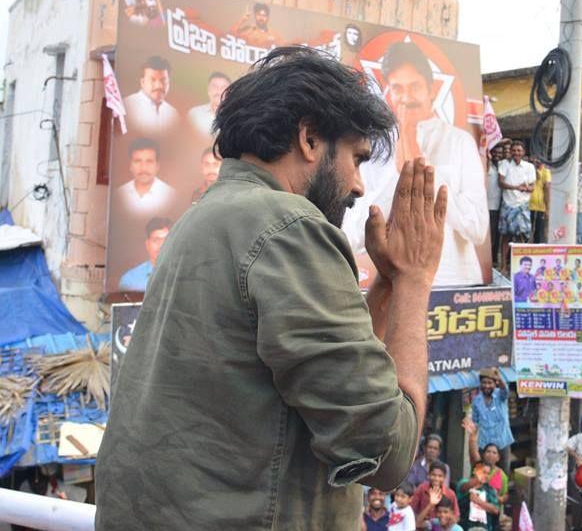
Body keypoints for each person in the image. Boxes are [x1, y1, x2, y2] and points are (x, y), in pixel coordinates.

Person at [95, 46, 448, 529]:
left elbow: (320, 364)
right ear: (308, 138)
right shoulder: (289, 226)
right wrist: (414, 281)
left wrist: (386, 282)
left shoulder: (204, 216)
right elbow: (385, 450)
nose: (360, 186)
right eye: (356, 159)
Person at [342, 41, 489, 287]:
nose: (407, 97)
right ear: (389, 92)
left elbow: (478, 229)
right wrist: (399, 175)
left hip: (454, 284)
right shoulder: (375, 146)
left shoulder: (460, 142)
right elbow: (353, 235)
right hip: (391, 285)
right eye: (398, 88)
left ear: (432, 89)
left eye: (415, 87)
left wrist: (425, 170)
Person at [114, 138, 176, 217]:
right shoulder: (118, 195)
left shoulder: (171, 195)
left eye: (149, 161)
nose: (143, 168)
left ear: (157, 166)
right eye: (138, 161)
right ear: (130, 165)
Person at [497, 140, 536, 264]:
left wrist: (526, 188)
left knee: (523, 237)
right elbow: (500, 183)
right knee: (505, 236)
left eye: (519, 150)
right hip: (508, 204)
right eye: (514, 150)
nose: (516, 153)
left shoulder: (529, 167)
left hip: (522, 206)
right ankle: (503, 266)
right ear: (510, 152)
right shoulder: (504, 164)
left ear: (523, 152)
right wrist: (516, 187)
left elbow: (532, 187)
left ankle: (520, 265)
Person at [123, 55, 180, 134]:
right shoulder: (126, 106)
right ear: (142, 82)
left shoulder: (173, 114)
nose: (159, 86)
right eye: (152, 80)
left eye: (163, 80)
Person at [464, 418, 509, 508]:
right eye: (488, 451)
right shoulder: (479, 468)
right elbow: (473, 452)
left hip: (492, 511)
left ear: (498, 458)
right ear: (483, 454)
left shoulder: (502, 475)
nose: (490, 454)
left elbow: (505, 494)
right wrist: (472, 437)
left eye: (494, 452)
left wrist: (500, 499)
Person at [118, 217, 172, 291]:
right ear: (147, 244)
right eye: (156, 240)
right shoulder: (130, 281)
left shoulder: (187, 277)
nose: (161, 245)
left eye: (166, 240)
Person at [471, 368, 514, 462]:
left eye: (490, 383)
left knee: (503, 475)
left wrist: (499, 379)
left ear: (495, 384)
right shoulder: (476, 401)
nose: (486, 386)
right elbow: (475, 422)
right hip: (485, 445)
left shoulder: (500, 395)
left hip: (502, 443)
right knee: (482, 474)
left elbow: (505, 391)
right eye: (484, 382)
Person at [411, 461, 460, 528]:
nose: (436, 479)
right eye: (433, 475)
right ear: (428, 475)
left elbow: (456, 517)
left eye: (440, 476)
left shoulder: (450, 494)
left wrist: (444, 520)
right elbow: (411, 511)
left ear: (444, 477)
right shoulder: (421, 489)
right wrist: (431, 504)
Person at [456, 462, 499, 531]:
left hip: (484, 527)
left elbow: (495, 510)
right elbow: (464, 488)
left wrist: (479, 501)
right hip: (465, 526)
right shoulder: (464, 482)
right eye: (483, 472)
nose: (486, 475)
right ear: (475, 471)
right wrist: (477, 480)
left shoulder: (490, 489)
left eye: (488, 473)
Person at [187, 71, 232, 136]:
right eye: (215, 86)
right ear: (208, 90)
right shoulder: (194, 114)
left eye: (223, 88)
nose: (219, 91)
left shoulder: (235, 117)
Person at [486, 144, 504, 267]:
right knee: (489, 236)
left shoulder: (503, 167)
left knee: (497, 235)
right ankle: (488, 261)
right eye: (495, 152)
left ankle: (494, 261)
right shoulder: (487, 167)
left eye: (500, 153)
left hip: (500, 206)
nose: (497, 155)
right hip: (488, 206)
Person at [529, 157, 551, 245]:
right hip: (526, 206)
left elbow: (547, 190)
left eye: (540, 160)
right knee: (526, 233)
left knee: (538, 233)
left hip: (540, 207)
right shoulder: (528, 169)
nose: (537, 161)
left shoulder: (546, 172)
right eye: (535, 159)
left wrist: (547, 208)